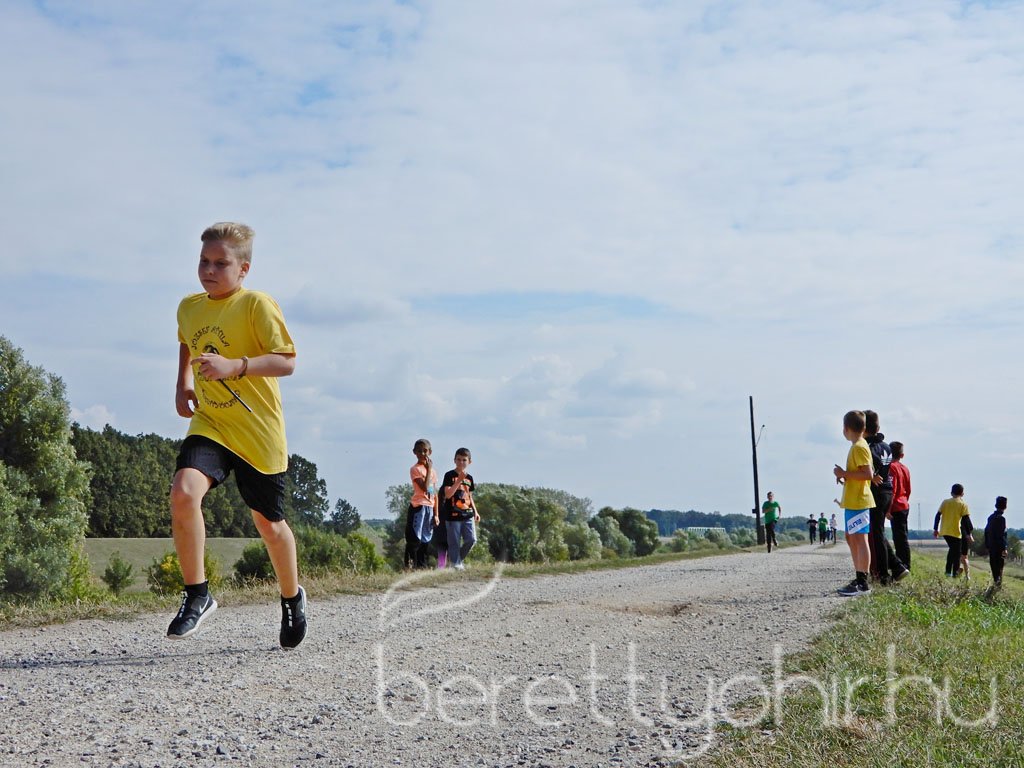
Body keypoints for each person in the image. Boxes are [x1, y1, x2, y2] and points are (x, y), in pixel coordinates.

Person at [168, 222, 306, 648]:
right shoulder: (189, 307)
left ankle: (291, 597)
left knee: (268, 524)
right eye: (204, 261)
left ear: (244, 268)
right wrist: (183, 381)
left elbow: (287, 362)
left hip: (258, 433)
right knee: (183, 493)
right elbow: (187, 341)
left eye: (221, 263)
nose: (209, 270)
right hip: (212, 423)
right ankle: (198, 595)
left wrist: (236, 365)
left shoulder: (257, 305)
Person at [864, 411, 908, 583]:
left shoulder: (867, 447)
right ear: (878, 428)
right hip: (887, 492)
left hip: (876, 492)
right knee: (878, 532)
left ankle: (884, 574)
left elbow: (868, 472)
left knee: (876, 534)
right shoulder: (886, 447)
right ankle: (895, 567)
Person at [834, 410, 874, 596]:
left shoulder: (859, 446)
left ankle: (862, 582)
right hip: (853, 499)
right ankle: (859, 577)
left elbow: (868, 474)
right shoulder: (858, 445)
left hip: (859, 500)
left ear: (846, 428)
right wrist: (846, 478)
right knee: (852, 538)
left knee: (860, 539)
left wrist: (844, 474)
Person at [443, 447, 480, 570]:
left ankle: (456, 560)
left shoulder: (470, 478)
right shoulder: (449, 475)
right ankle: (456, 564)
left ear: (469, 462)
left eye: (464, 460)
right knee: (454, 542)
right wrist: (459, 480)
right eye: (458, 459)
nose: (461, 463)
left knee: (471, 539)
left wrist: (475, 511)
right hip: (453, 514)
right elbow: (448, 494)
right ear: (454, 460)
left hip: (467, 513)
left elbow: (470, 495)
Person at [406, 439, 438, 569]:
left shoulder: (433, 472)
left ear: (430, 451)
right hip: (418, 506)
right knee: (415, 538)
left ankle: (422, 565)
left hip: (429, 507)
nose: (423, 453)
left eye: (425, 451)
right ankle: (410, 564)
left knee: (426, 538)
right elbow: (424, 488)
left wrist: (436, 514)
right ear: (414, 452)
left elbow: (433, 493)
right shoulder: (415, 469)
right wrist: (428, 469)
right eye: (419, 451)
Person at [933, 484, 971, 578]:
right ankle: (954, 574)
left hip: (945, 531)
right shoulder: (963, 504)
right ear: (962, 494)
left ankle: (948, 572)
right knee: (957, 553)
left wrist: (935, 529)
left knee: (953, 551)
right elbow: (966, 520)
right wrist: (970, 532)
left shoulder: (945, 502)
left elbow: (938, 515)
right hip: (956, 532)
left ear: (951, 493)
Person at [887, 441, 912, 571]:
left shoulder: (891, 467)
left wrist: (888, 509)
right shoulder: (905, 468)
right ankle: (902, 564)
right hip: (904, 505)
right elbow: (908, 489)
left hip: (896, 506)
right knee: (902, 537)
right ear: (902, 455)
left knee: (899, 539)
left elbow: (892, 490)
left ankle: (904, 566)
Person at [985, 497, 1008, 589]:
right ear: (1005, 507)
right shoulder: (1002, 519)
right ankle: (998, 584)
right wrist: (1005, 548)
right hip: (999, 546)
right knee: (1000, 565)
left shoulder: (990, 517)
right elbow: (1002, 534)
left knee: (993, 564)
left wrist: (987, 544)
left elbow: (986, 531)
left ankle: (996, 582)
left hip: (991, 545)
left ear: (996, 505)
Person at [959, 513, 975, 581]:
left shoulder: (957, 516)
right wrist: (969, 535)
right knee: (965, 557)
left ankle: (958, 570)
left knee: (957, 555)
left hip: (957, 537)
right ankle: (967, 575)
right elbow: (971, 527)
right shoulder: (966, 517)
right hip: (965, 539)